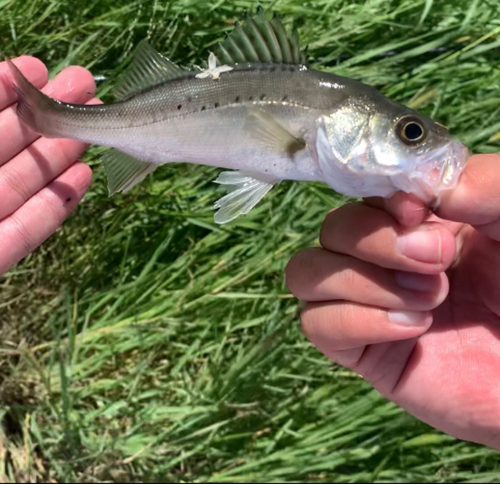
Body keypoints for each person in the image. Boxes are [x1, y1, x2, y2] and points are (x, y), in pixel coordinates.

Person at [2, 56, 500, 450]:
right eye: (409, 132)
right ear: (342, 122)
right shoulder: (316, 121)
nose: (418, 141)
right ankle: (50, 116)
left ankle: (50, 116)